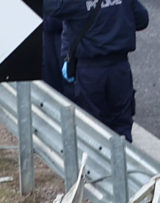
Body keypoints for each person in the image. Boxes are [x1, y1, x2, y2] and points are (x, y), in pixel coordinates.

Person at [43, 0, 148, 139]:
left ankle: (98, 160)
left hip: (90, 71)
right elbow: (142, 20)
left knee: (93, 127)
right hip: (120, 68)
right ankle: (122, 158)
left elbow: (50, 9)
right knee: (122, 124)